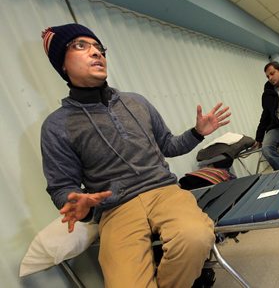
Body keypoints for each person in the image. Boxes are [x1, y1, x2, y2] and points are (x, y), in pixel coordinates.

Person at [40, 23, 231, 287]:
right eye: (81, 46)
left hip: (165, 192)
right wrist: (79, 206)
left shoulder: (136, 102)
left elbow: (168, 145)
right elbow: (61, 187)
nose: (96, 53)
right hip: (116, 209)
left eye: (99, 47)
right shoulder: (56, 125)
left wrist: (197, 133)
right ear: (62, 64)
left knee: (195, 237)